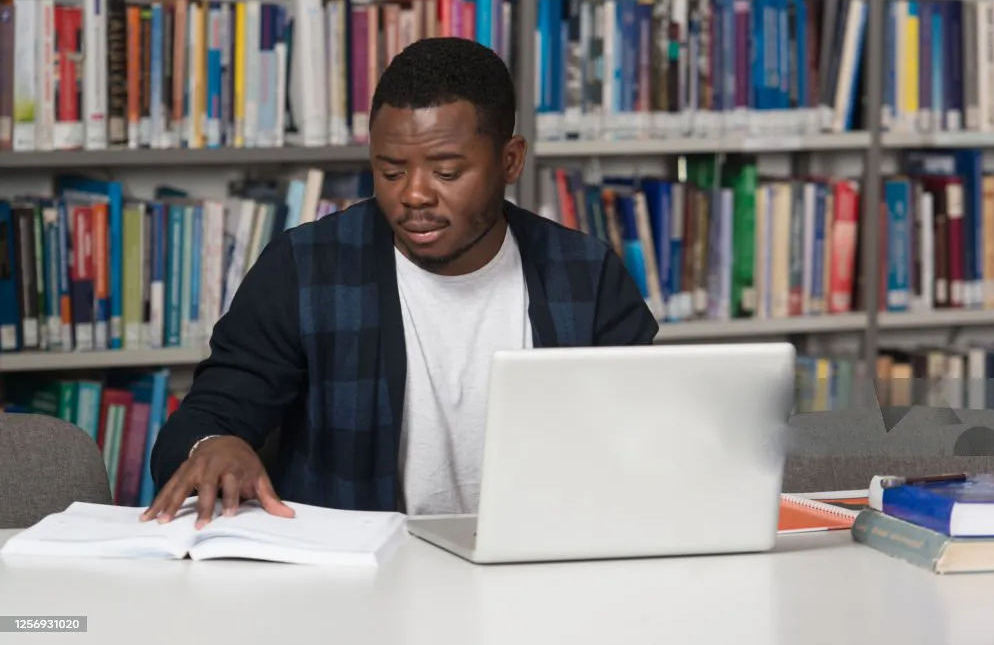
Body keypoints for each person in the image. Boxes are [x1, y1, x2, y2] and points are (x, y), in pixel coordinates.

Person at [142, 37, 659, 529]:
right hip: (357, 584)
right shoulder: (306, 267)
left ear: (510, 161)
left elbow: (650, 437)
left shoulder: (585, 275)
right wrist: (212, 444)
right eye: (391, 172)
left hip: (540, 569)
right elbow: (204, 417)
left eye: (447, 173)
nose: (413, 195)